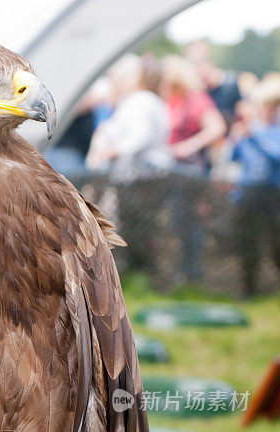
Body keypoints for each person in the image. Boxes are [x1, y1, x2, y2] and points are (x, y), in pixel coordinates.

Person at [88, 54, 172, 274]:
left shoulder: (142, 100)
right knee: (136, 226)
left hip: (141, 177)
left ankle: (140, 272)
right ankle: (139, 272)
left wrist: (111, 151)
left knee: (138, 228)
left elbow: (139, 136)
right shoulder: (141, 100)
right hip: (138, 176)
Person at [160, 56, 226, 282]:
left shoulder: (197, 100)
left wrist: (189, 146)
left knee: (193, 223)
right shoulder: (171, 100)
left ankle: (192, 272)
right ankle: (183, 270)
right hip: (173, 173)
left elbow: (217, 127)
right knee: (178, 222)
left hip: (193, 174)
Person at [229, 82, 280, 294]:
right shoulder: (249, 130)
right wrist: (236, 138)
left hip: (274, 194)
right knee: (247, 243)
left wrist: (254, 135)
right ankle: (249, 289)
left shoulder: (279, 131)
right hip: (247, 193)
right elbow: (232, 157)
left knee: (279, 243)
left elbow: (278, 155)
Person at [185, 40, 242, 128]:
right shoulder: (194, 91)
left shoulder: (230, 84)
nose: (197, 68)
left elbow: (243, 114)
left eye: (199, 62)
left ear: (211, 63)